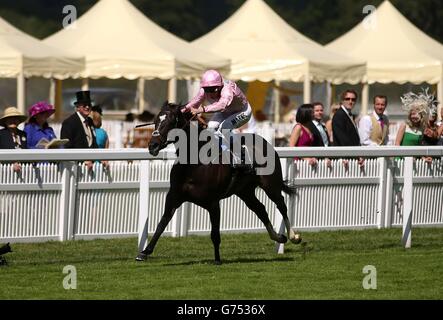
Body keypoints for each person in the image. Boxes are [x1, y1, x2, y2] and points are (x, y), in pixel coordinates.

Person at [182, 69, 252, 168]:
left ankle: (241, 154)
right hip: (226, 112)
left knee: (224, 127)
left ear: (220, 86)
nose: (210, 93)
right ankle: (221, 150)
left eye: (213, 90)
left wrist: (202, 109)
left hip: (242, 112)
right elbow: (194, 103)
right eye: (207, 90)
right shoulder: (204, 89)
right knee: (211, 127)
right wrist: (180, 111)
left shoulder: (227, 89)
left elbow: (222, 105)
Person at [61, 90, 98, 171]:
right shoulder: (69, 122)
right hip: (76, 168)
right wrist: (83, 161)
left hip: (91, 167)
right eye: (84, 105)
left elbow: (93, 143)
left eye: (89, 105)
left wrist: (100, 159)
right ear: (77, 107)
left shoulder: (90, 121)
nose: (87, 107)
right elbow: (67, 146)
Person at [395, 89, 433, 162]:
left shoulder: (422, 129)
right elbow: (397, 144)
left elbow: (419, 148)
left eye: (417, 114)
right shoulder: (404, 126)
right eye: (412, 114)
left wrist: (424, 158)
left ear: (421, 115)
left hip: (414, 162)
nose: (414, 116)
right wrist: (406, 157)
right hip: (400, 160)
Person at [332, 90, 364, 167]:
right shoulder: (339, 115)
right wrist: (356, 155)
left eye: (353, 99)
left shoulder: (349, 114)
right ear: (342, 100)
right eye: (347, 99)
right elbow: (342, 139)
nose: (350, 101)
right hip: (344, 159)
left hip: (351, 156)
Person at [0, 106, 28, 173]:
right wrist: (11, 163)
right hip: (5, 170)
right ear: (5, 121)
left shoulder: (23, 134)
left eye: (15, 118)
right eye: (10, 118)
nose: (13, 121)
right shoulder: (1, 134)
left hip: (24, 169)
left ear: (19, 121)